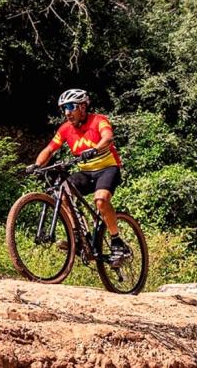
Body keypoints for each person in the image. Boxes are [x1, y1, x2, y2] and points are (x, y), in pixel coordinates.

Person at [27, 88, 126, 265]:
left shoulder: (99, 120)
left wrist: (95, 150)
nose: (67, 112)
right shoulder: (65, 129)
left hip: (108, 168)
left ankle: (117, 241)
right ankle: (80, 237)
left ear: (82, 107)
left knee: (101, 200)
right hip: (86, 172)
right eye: (64, 108)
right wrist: (36, 165)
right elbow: (50, 149)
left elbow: (108, 137)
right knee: (62, 193)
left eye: (71, 107)